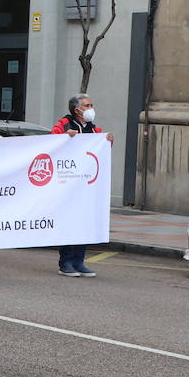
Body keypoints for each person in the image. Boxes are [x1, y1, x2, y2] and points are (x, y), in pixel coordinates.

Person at [51, 93, 115, 277]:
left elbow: (101, 154)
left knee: (84, 223)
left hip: (87, 185)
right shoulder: (63, 124)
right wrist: (64, 136)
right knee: (68, 222)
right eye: (87, 105)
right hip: (67, 183)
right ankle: (65, 263)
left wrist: (108, 141)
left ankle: (79, 261)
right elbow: (51, 143)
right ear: (77, 109)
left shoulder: (95, 131)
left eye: (91, 105)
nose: (91, 108)